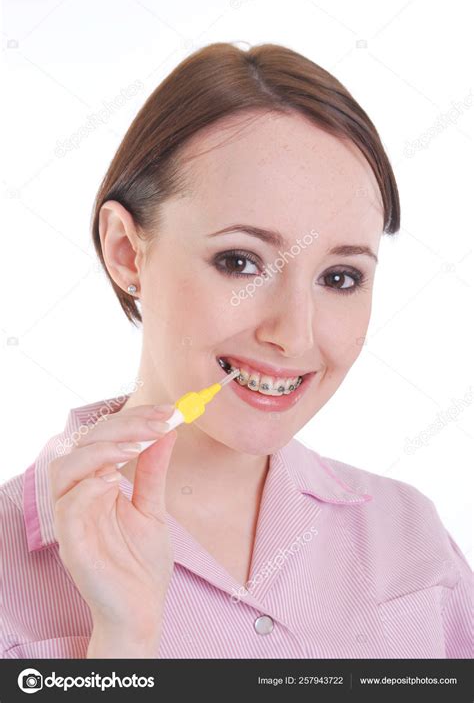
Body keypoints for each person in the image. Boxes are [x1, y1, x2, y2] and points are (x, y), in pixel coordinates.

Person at [1, 43, 471, 660]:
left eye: (339, 278)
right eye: (240, 262)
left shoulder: (410, 537)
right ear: (125, 251)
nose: (294, 335)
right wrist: (123, 647)